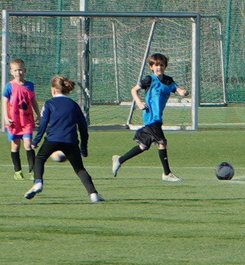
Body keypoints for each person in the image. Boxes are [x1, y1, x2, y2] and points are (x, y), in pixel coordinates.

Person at [26, 75, 102, 203]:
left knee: (39, 159)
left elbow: (43, 124)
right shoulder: (74, 105)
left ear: (53, 89)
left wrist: (36, 141)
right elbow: (83, 127)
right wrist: (83, 147)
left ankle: (38, 182)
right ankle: (93, 194)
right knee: (79, 169)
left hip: (52, 139)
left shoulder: (49, 103)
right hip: (70, 141)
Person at [111, 53, 182, 183]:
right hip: (150, 117)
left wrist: (182, 91)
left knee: (143, 146)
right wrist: (138, 102)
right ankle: (167, 173)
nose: (159, 67)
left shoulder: (168, 81)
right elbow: (134, 90)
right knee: (162, 142)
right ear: (151, 67)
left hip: (157, 118)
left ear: (165, 66)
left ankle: (120, 159)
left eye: (161, 65)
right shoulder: (149, 79)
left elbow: (177, 88)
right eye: (156, 65)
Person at [2, 59, 37, 176]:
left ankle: (33, 171)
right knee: (15, 145)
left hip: (26, 120)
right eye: (16, 70)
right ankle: (17, 171)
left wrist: (38, 114)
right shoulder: (9, 86)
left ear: (25, 70)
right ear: (11, 71)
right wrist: (6, 118)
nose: (19, 73)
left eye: (21, 70)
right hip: (14, 121)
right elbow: (4, 103)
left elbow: (33, 101)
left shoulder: (29, 85)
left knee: (28, 144)